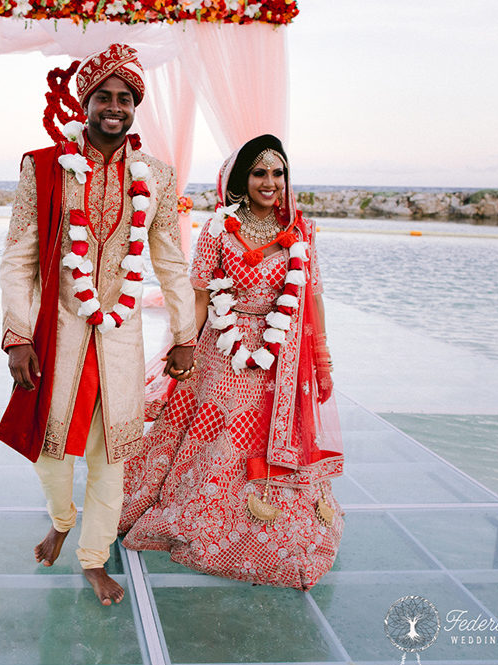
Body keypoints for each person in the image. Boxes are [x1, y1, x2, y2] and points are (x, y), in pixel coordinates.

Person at [0, 44, 197, 606]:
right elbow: (18, 257)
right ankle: (62, 518)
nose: (115, 107)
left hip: (121, 337)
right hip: (57, 334)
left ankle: (93, 559)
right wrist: (18, 337)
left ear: (136, 107)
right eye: (104, 97)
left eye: (125, 99)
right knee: (49, 449)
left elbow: (170, 260)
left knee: (113, 457)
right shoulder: (44, 167)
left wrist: (186, 335)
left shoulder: (155, 176)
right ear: (85, 103)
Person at [119, 134, 344, 590]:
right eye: (260, 172)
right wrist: (180, 347)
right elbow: (200, 298)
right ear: (243, 178)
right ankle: (204, 514)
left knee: (267, 437)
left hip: (282, 358)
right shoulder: (217, 229)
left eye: (278, 173)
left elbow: (312, 296)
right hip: (223, 348)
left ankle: (275, 522)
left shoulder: (301, 231)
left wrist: (321, 356)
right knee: (219, 434)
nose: (270, 182)